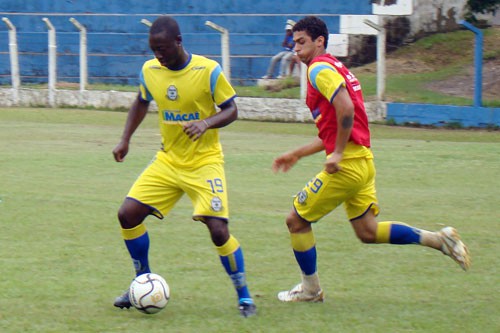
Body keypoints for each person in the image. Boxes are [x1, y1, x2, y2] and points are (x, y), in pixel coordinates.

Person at [272, 16, 471, 303]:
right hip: (363, 161)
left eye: (301, 42)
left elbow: (346, 109)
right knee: (367, 231)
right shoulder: (337, 68)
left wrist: (338, 153)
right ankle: (439, 239)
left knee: (296, 221)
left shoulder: (319, 69)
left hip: (348, 164)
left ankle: (311, 290)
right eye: (294, 43)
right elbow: (336, 125)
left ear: (320, 42)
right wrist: (297, 153)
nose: (296, 49)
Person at [111, 16, 256, 317]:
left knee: (218, 230)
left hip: (204, 162)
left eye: (162, 48)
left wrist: (205, 123)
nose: (158, 55)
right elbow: (141, 101)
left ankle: (244, 297)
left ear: (178, 42)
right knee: (127, 214)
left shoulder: (208, 70)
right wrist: (125, 139)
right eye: (153, 49)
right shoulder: (150, 71)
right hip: (168, 160)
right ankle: (143, 281)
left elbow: (231, 110)